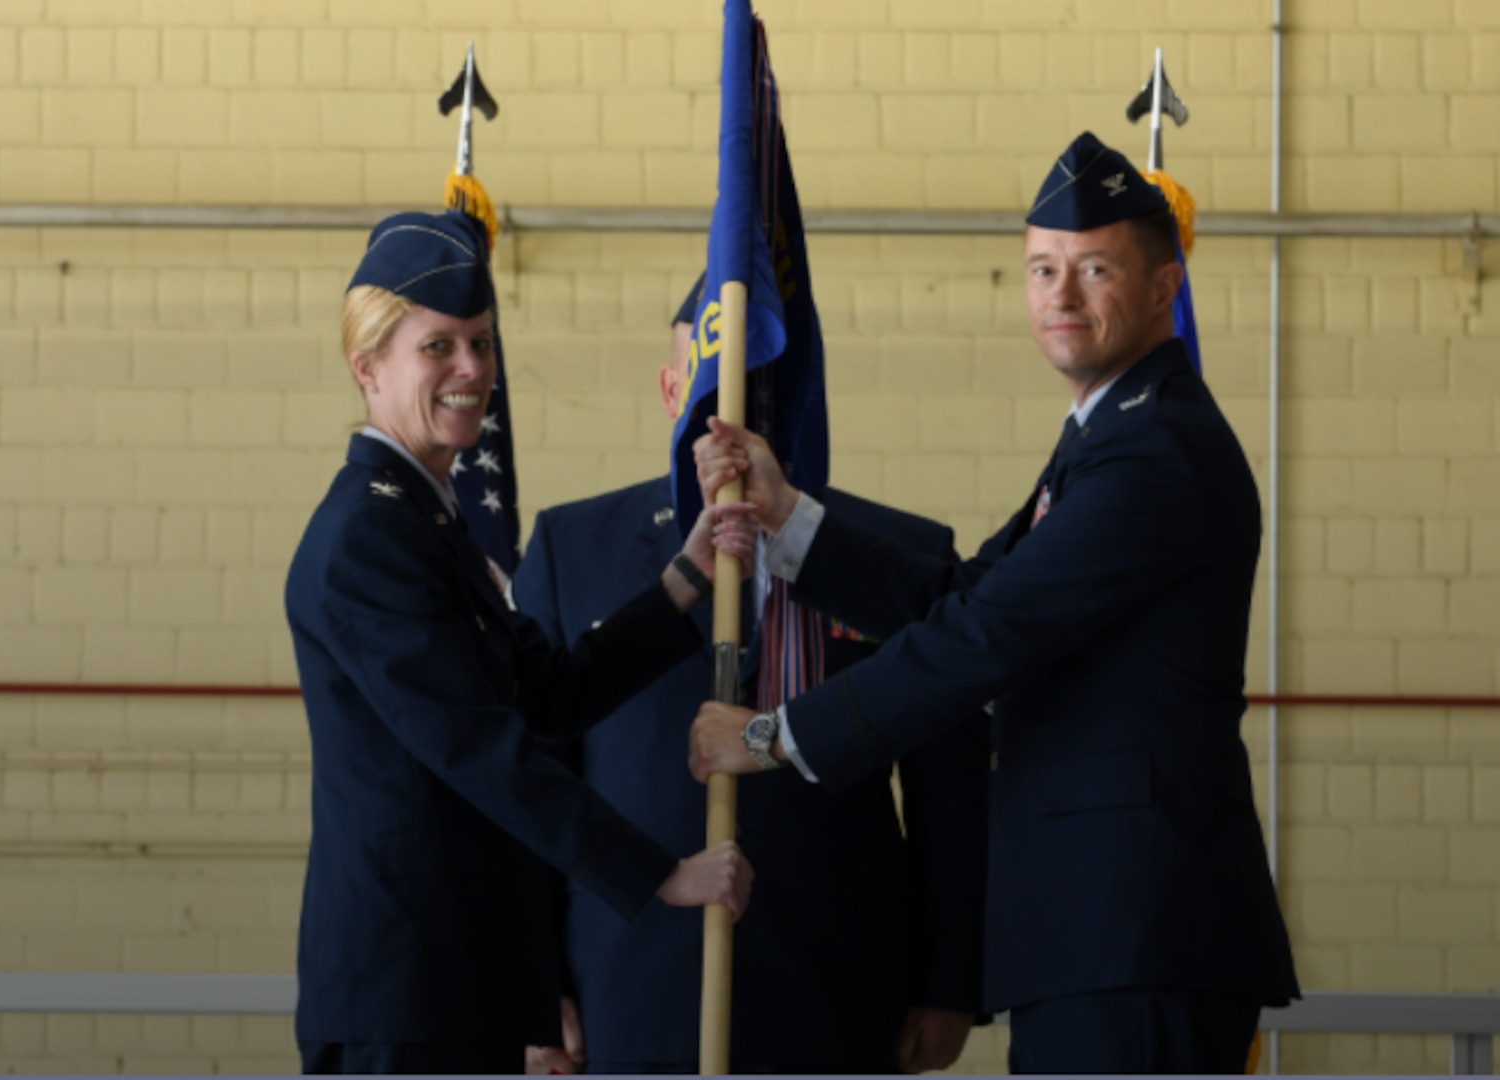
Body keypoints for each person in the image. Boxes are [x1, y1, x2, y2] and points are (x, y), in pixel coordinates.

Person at [688, 132, 1300, 1074]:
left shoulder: (1156, 450)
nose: (1060, 295)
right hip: (1096, 933)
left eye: (1094, 269)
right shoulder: (1108, 437)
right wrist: (790, 517)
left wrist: (777, 736)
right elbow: (974, 592)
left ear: (1164, 287)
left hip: (1133, 933)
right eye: (1042, 268)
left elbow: (984, 635)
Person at [284, 209, 758, 1076]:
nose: (472, 370)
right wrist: (658, 874)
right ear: (368, 367)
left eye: (482, 343)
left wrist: (682, 581)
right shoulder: (369, 536)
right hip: (408, 988)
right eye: (439, 347)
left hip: (455, 982)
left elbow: (545, 694)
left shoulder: (427, 524)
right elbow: (479, 746)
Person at [512, 278, 989, 1074]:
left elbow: (953, 793)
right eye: (708, 387)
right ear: (671, 391)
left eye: (761, 385)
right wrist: (530, 986)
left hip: (839, 989)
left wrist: (950, 983)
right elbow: (529, 779)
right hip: (625, 991)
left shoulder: (900, 555)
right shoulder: (572, 549)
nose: (732, 416)